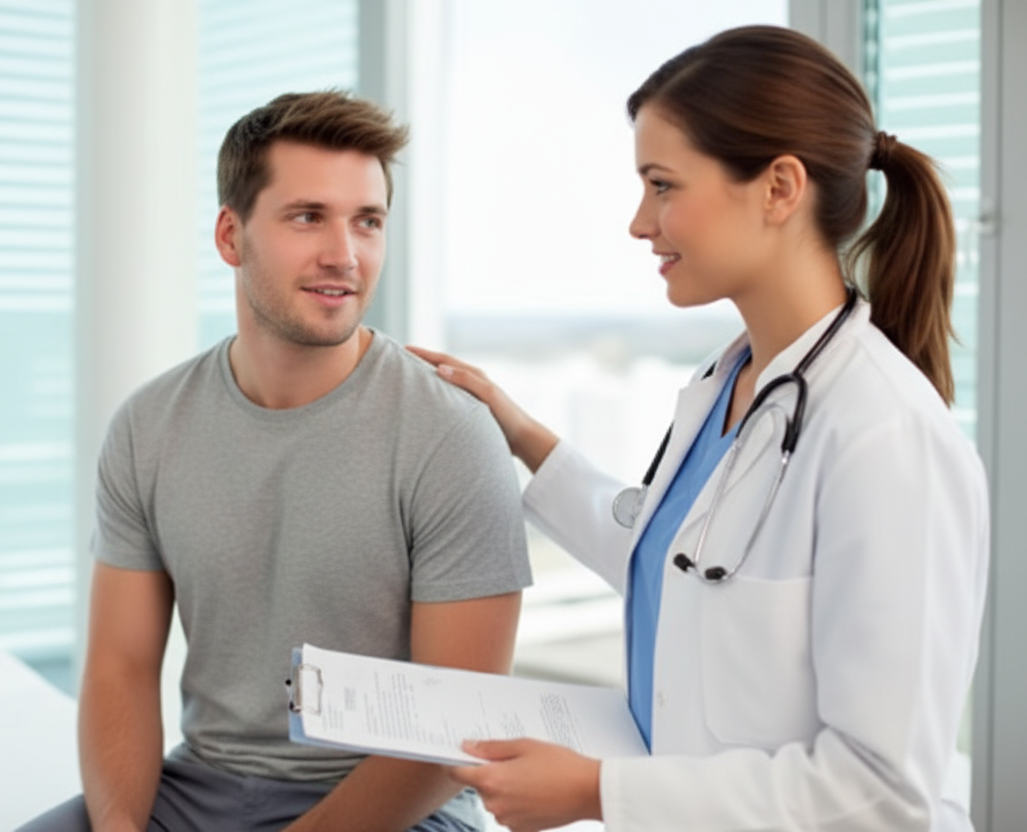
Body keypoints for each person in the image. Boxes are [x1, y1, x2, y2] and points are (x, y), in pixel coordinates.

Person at [410, 25, 988, 832]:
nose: (640, 222)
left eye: (662, 185)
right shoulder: (731, 383)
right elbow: (677, 560)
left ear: (779, 189)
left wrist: (597, 792)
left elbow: (880, 793)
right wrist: (520, 432)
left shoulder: (886, 438)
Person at [20, 90, 532, 832]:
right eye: (307, 217)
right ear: (231, 236)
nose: (344, 254)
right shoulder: (149, 425)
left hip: (394, 809)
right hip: (196, 790)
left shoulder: (449, 433)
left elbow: (455, 719)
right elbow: (120, 668)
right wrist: (122, 829)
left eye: (368, 221)